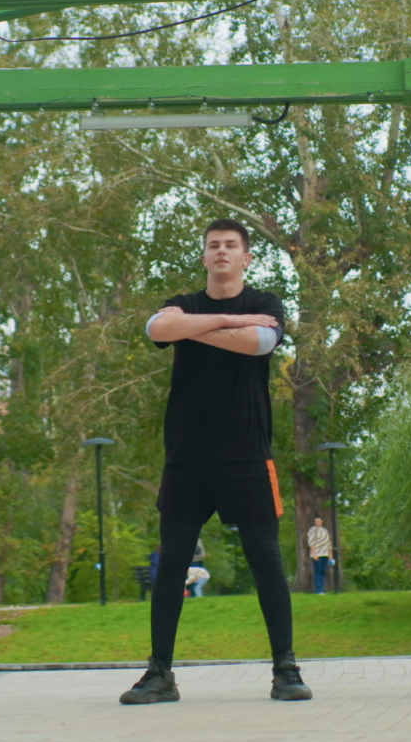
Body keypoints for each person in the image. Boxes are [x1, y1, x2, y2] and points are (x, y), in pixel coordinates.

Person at [119, 218, 312, 705]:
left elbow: (258, 343)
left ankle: (286, 670)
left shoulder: (266, 303)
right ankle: (160, 675)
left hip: (247, 455)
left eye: (231, 245)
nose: (222, 251)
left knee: (266, 561)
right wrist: (226, 321)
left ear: (246, 257)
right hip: (187, 457)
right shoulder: (184, 301)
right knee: (171, 566)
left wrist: (193, 329)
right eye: (213, 245)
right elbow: (157, 328)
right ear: (204, 256)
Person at [307, 517, 334, 594]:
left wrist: (331, 557)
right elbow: (311, 543)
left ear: (322, 522)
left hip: (325, 554)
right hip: (317, 554)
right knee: (318, 571)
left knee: (323, 571)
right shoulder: (312, 530)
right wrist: (314, 554)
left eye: (319, 521)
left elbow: (328, 543)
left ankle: (323, 588)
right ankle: (319, 590)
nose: (318, 523)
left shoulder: (325, 530)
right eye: (316, 521)